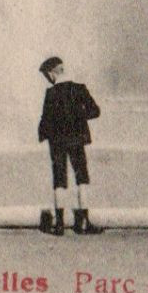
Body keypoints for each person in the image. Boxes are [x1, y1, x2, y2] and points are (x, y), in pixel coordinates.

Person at [36, 56, 104, 236]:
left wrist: (45, 135)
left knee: (59, 179)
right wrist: (78, 116)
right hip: (77, 138)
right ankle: (84, 222)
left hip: (57, 141)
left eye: (47, 75)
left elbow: (44, 121)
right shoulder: (79, 89)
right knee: (82, 177)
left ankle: (59, 224)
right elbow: (95, 111)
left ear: (52, 73)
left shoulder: (51, 94)